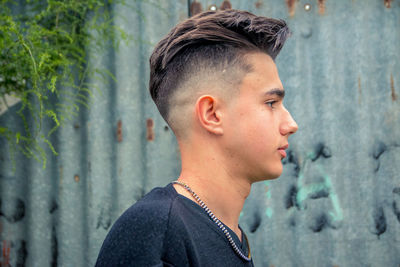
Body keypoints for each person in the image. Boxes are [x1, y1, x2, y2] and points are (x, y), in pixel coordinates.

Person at [95, 9, 298, 267]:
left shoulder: (229, 234)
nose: (291, 124)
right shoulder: (155, 231)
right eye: (271, 103)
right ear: (212, 114)